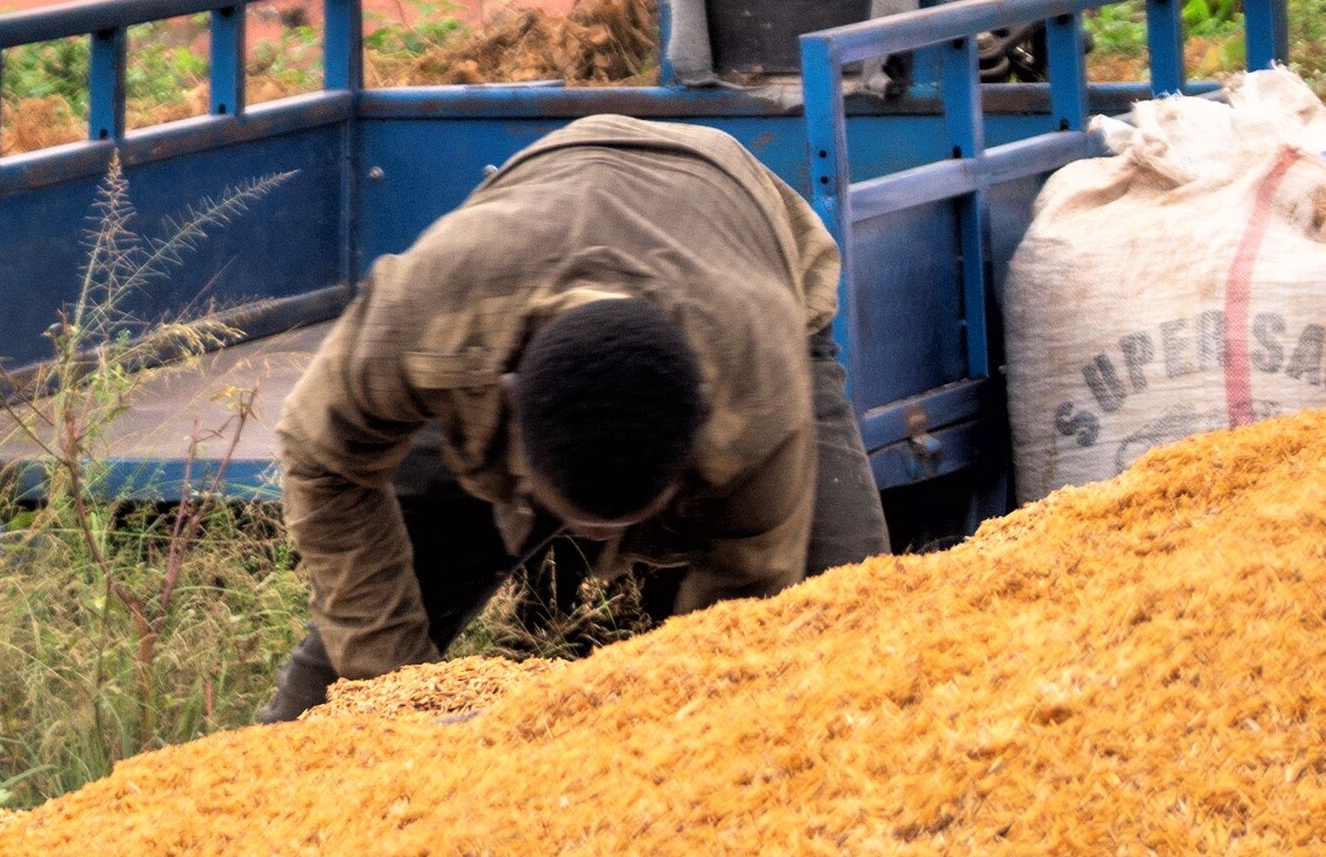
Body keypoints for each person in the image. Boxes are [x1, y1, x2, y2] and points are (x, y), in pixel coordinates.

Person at [257, 113, 887, 719]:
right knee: (356, 649)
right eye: (573, 517)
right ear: (511, 417)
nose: (596, 544)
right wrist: (394, 693)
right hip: (521, 268)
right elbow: (322, 461)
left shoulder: (757, 385)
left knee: (846, 622)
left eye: (622, 523)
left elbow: (740, 623)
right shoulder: (430, 319)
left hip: (738, 244)